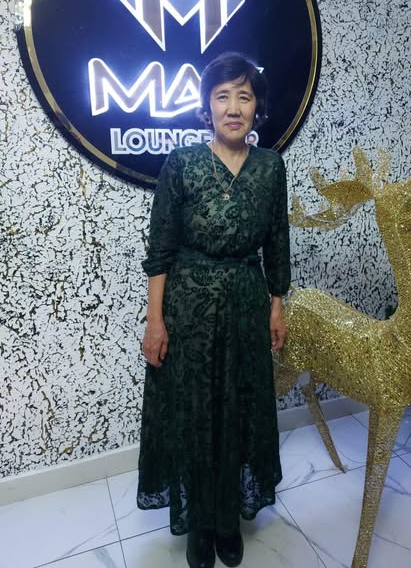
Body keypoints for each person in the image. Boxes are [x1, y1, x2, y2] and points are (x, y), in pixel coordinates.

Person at [137, 52, 291, 568]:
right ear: (208, 105)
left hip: (247, 303)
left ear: (256, 107)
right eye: (223, 96)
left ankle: (228, 519)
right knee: (196, 412)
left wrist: (277, 305)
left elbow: (277, 242)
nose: (233, 107)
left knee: (240, 410)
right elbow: (160, 250)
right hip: (189, 310)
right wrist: (155, 321)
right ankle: (200, 522)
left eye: (244, 96)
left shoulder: (270, 167)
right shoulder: (181, 164)